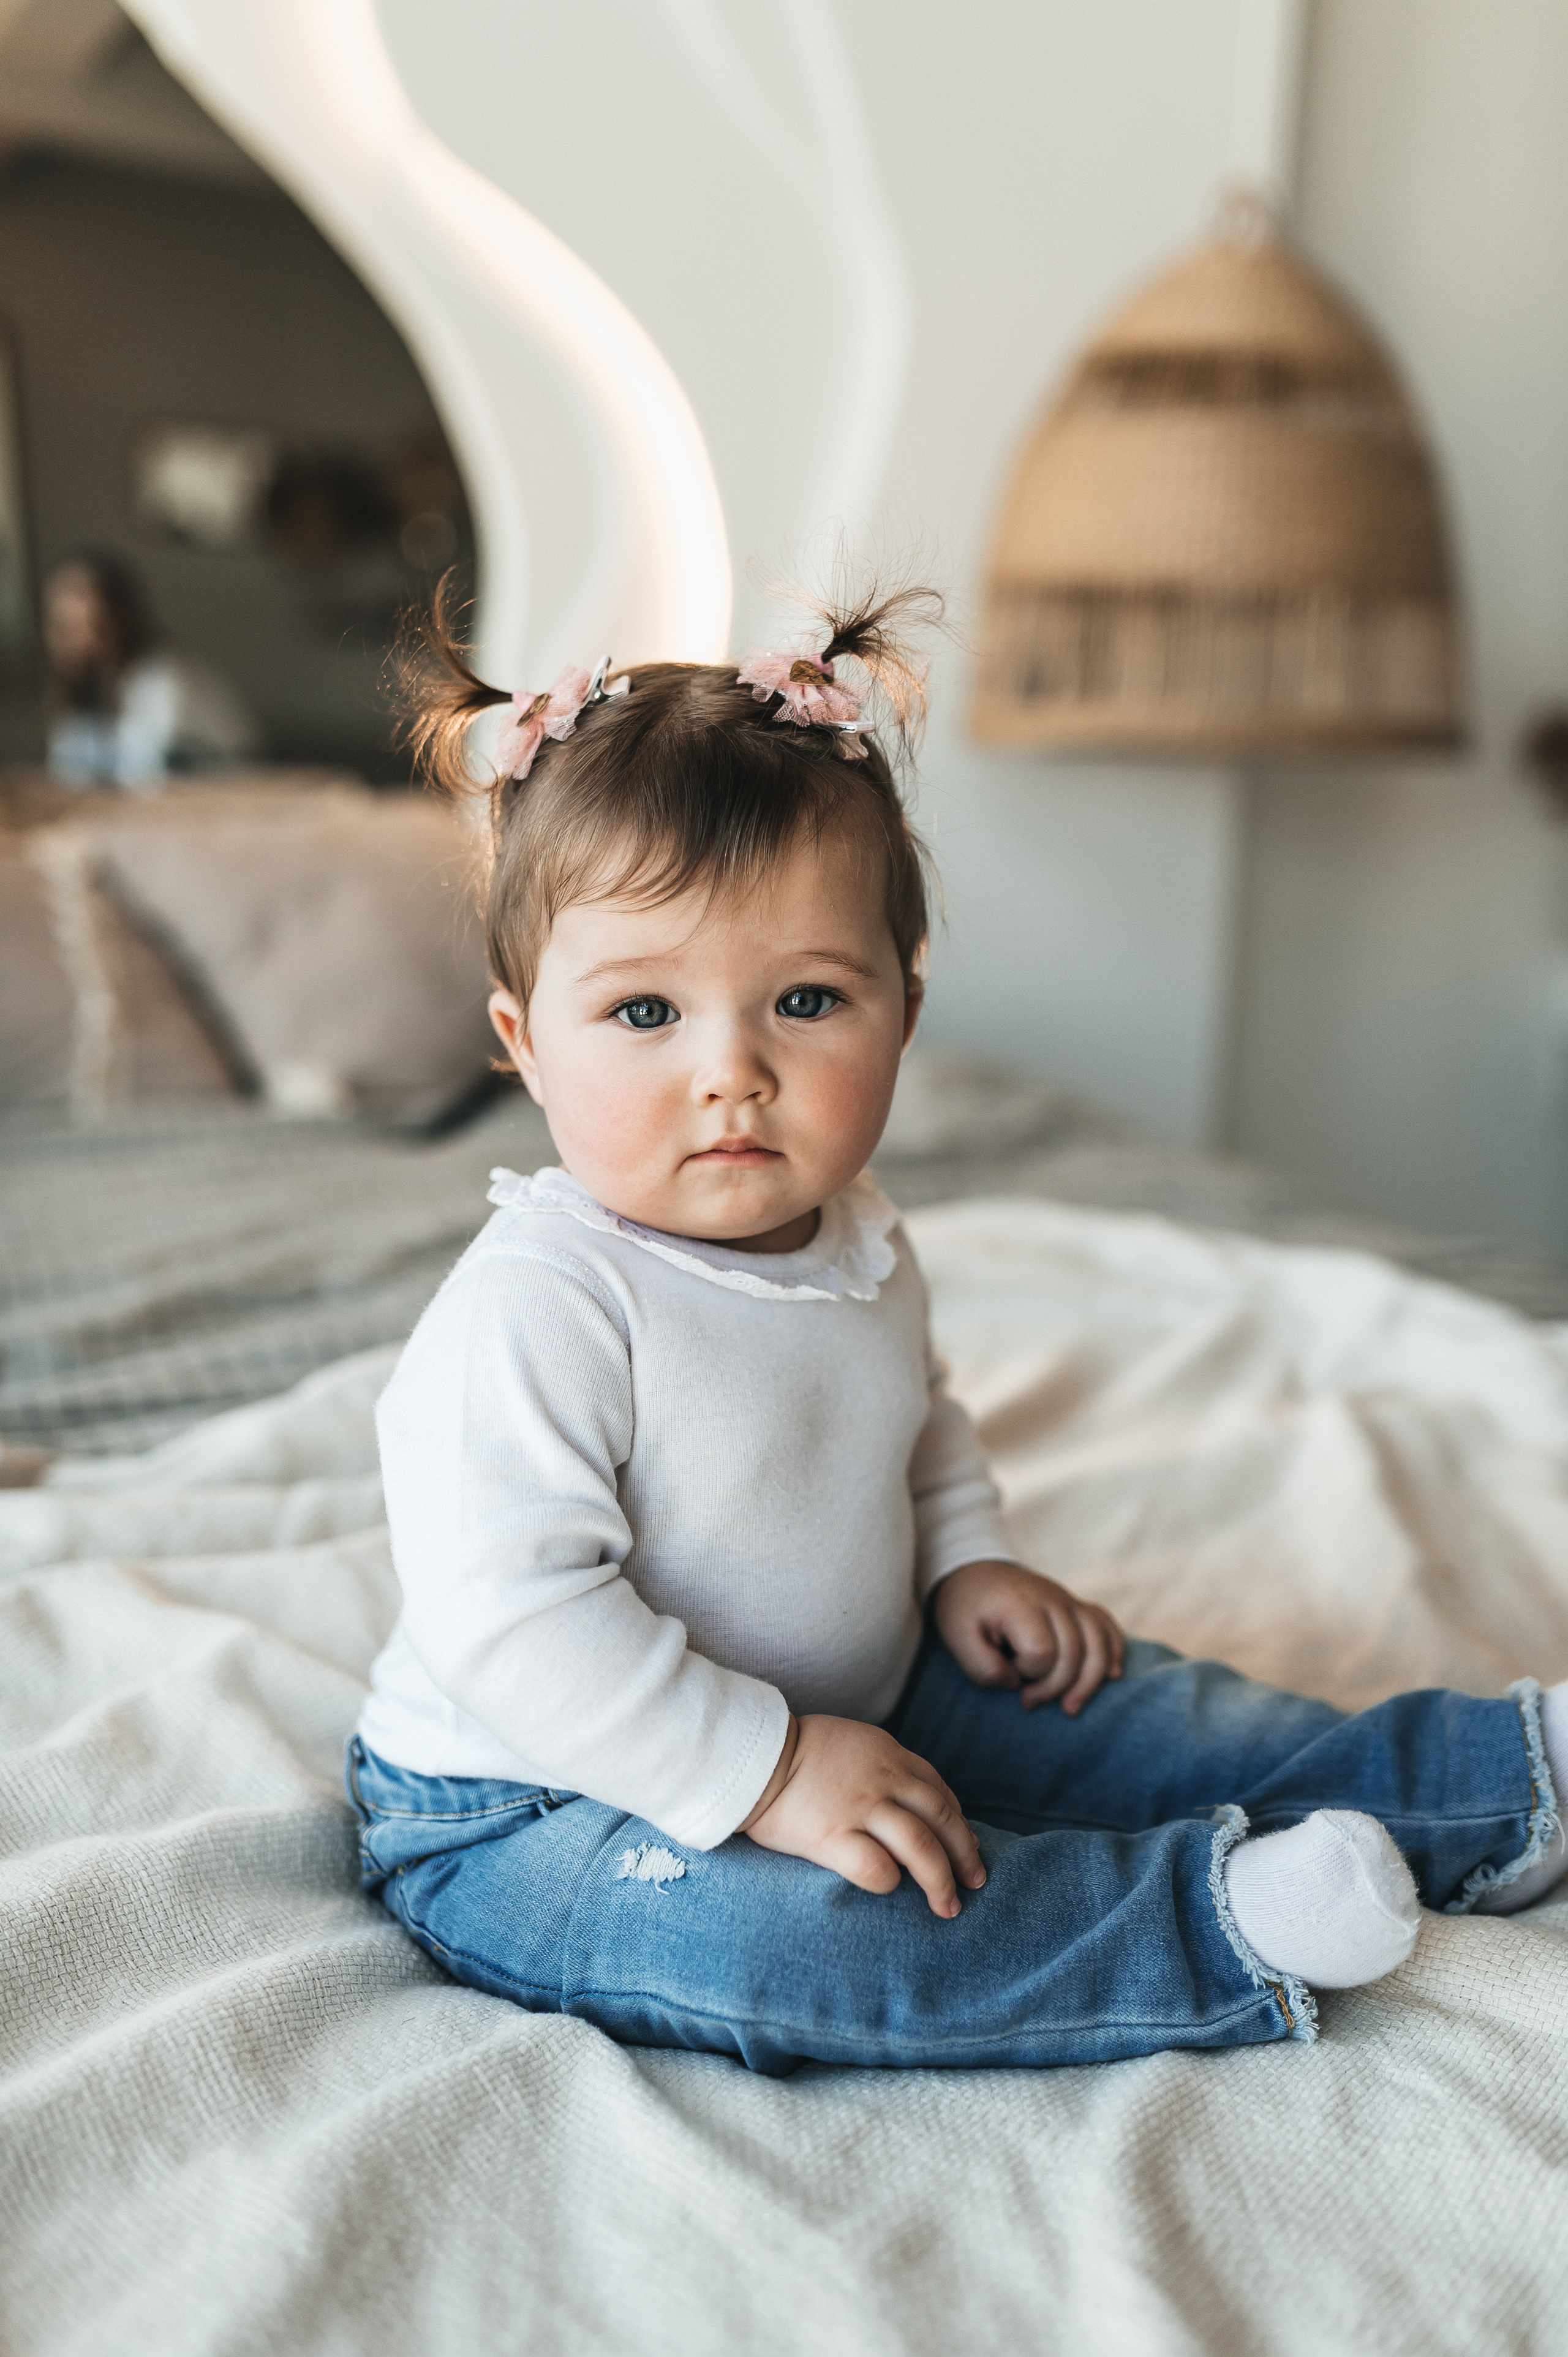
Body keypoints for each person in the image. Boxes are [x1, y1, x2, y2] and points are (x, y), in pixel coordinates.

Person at [345, 581, 1567, 2076]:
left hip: (866, 1679)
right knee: (800, 1938)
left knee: (1144, 1712)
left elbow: (905, 1420)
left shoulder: (856, 1237)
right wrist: (770, 1767)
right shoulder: (537, 1307)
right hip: (537, 1801)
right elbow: (512, 1621)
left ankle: (1492, 1781)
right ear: (525, 1041)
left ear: (903, 1012)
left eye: (803, 998)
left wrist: (963, 1552)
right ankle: (1201, 1924)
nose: (730, 1073)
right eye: (644, 1014)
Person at [42, 549, 260, 789]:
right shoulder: (90, 697)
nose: (84, 640)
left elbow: (148, 777)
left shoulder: (166, 680)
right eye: (66, 627)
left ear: (122, 619)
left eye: (97, 626)